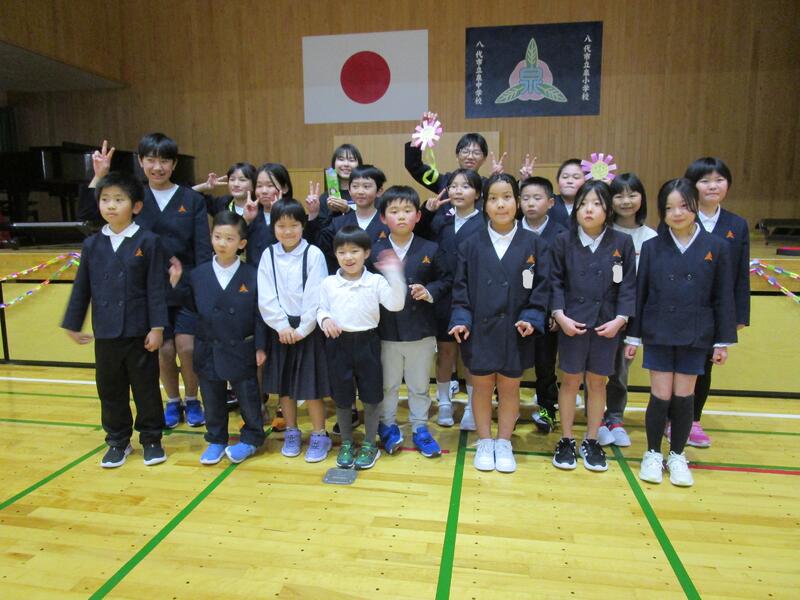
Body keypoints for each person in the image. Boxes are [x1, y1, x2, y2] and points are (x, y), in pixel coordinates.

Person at [81, 135, 212, 429]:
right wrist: (99, 175)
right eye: (151, 160)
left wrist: (200, 289)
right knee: (163, 350)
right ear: (141, 162)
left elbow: (203, 250)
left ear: (174, 164)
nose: (157, 167)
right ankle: (172, 401)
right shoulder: (132, 197)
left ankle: (193, 399)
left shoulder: (192, 200)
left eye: (164, 160)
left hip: (186, 288)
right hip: (147, 292)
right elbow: (89, 217)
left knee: (187, 347)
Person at [625, 178, 736, 486]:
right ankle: (652, 453)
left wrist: (722, 342)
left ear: (695, 207)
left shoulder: (717, 247)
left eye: (684, 206)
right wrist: (633, 337)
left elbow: (723, 296)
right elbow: (641, 293)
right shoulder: (652, 247)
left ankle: (677, 455)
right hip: (658, 331)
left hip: (696, 333)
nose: (677, 213)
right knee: (660, 395)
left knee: (684, 395)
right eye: (669, 208)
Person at [62, 172, 168, 468]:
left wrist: (157, 327)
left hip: (139, 330)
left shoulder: (148, 241)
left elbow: (156, 287)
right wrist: (73, 323)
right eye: (105, 199)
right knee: (110, 389)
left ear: (136, 206)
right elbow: (82, 287)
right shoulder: (92, 244)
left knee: (146, 388)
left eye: (119, 200)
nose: (111, 205)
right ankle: (118, 440)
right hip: (106, 331)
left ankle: (151, 438)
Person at [449, 173, 550, 473]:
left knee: (509, 388)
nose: (500, 204)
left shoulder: (534, 243)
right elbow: (460, 290)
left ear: (517, 202)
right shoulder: (470, 244)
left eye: (507, 197)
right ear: (485, 204)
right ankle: (484, 441)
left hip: (515, 330)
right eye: (493, 198)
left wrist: (532, 317)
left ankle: (504, 442)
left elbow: (542, 289)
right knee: (481, 387)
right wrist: (461, 320)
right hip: (479, 330)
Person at [549, 179, 636, 472]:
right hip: (572, 323)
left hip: (607, 325)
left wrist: (620, 319)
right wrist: (560, 316)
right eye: (583, 204)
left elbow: (628, 286)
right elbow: (555, 282)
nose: (589, 209)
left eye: (596, 204)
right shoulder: (563, 241)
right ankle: (566, 439)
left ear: (607, 209)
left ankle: (591, 439)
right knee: (570, 381)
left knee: (598, 382)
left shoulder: (622, 243)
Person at [169, 211, 268, 464]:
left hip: (242, 346)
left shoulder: (253, 274)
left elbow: (260, 315)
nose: (222, 243)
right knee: (211, 396)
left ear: (242, 243)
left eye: (229, 238)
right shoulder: (198, 274)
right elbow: (189, 308)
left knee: (248, 396)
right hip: (208, 346)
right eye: (217, 237)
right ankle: (216, 439)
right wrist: (175, 284)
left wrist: (260, 346)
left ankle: (252, 438)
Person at [369, 186, 452, 458]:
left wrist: (429, 291)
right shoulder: (374, 250)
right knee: (388, 385)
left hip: (421, 331)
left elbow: (446, 280)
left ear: (418, 216)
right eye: (394, 211)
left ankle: (420, 427)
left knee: (419, 385)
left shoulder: (431, 248)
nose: (401, 216)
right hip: (385, 332)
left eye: (407, 211)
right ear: (383, 218)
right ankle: (387, 425)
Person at [317, 226, 406, 470]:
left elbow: (396, 304)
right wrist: (325, 320)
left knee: (371, 396)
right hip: (338, 345)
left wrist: (394, 273)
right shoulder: (329, 283)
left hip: (368, 343)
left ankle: (369, 444)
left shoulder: (375, 281)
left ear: (366, 253)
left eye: (354, 251)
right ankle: (346, 442)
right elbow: (321, 308)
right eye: (342, 252)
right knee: (342, 397)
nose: (348, 257)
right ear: (335, 254)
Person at [258, 199, 331, 463]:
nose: (288, 231)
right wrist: (281, 325)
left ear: (303, 225)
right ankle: (291, 431)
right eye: (281, 226)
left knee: (311, 386)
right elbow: (266, 295)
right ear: (273, 227)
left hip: (308, 329)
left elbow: (316, 294)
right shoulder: (268, 255)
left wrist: (302, 328)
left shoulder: (314, 254)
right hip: (280, 330)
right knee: (285, 386)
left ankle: (319, 434)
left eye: (294, 225)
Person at [682, 157, 749, 448]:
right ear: (691, 186)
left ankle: (693, 419)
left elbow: (740, 275)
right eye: (705, 180)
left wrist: (738, 315)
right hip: (682, 307)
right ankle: (673, 417)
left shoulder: (737, 225)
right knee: (678, 366)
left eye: (719, 180)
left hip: (715, 310)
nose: (712, 186)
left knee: (704, 366)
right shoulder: (680, 217)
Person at [596, 173, 658, 447]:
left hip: (631, 316)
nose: (625, 201)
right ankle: (597, 418)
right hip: (601, 313)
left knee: (620, 371)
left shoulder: (651, 237)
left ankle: (615, 417)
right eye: (618, 195)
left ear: (642, 198)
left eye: (632, 194)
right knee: (596, 371)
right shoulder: (601, 232)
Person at [422, 169, 485, 431]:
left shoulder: (486, 221)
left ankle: (472, 406)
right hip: (443, 295)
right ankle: (445, 402)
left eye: (466, 186)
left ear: (478, 194)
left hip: (474, 297)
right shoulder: (440, 219)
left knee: (470, 355)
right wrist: (427, 212)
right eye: (454, 186)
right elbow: (421, 238)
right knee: (445, 351)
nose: (458, 191)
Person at [518, 176, 566, 433]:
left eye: (537, 198)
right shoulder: (510, 230)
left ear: (550, 202)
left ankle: (547, 410)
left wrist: (556, 312)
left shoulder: (562, 234)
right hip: (515, 310)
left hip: (547, 313)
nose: (531, 203)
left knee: (546, 365)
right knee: (510, 363)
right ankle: (508, 407)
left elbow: (562, 278)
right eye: (525, 198)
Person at [193, 162, 257, 217]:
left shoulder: (259, 207)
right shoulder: (221, 203)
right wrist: (205, 186)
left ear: (253, 184)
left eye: (242, 180)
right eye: (232, 179)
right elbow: (190, 195)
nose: (236, 184)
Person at [549, 158, 586, 228]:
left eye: (576, 177)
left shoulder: (591, 206)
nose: (569, 181)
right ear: (557, 180)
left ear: (586, 181)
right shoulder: (548, 202)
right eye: (565, 177)